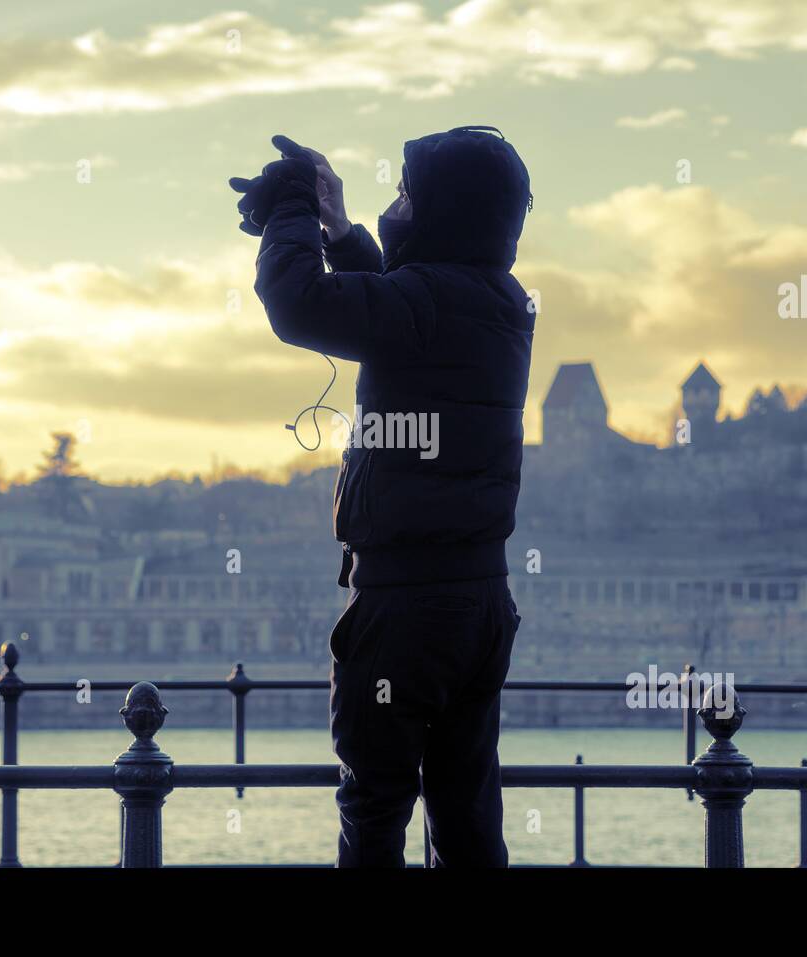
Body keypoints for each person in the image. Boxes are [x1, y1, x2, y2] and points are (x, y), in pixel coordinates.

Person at [229, 127, 533, 867]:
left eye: (405, 193)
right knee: (467, 818)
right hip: (479, 602)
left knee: (373, 811)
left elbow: (297, 303)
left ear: (438, 215)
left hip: (404, 606)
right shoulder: (502, 302)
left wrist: (293, 208)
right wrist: (338, 227)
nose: (395, 205)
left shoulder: (427, 304)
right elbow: (408, 311)